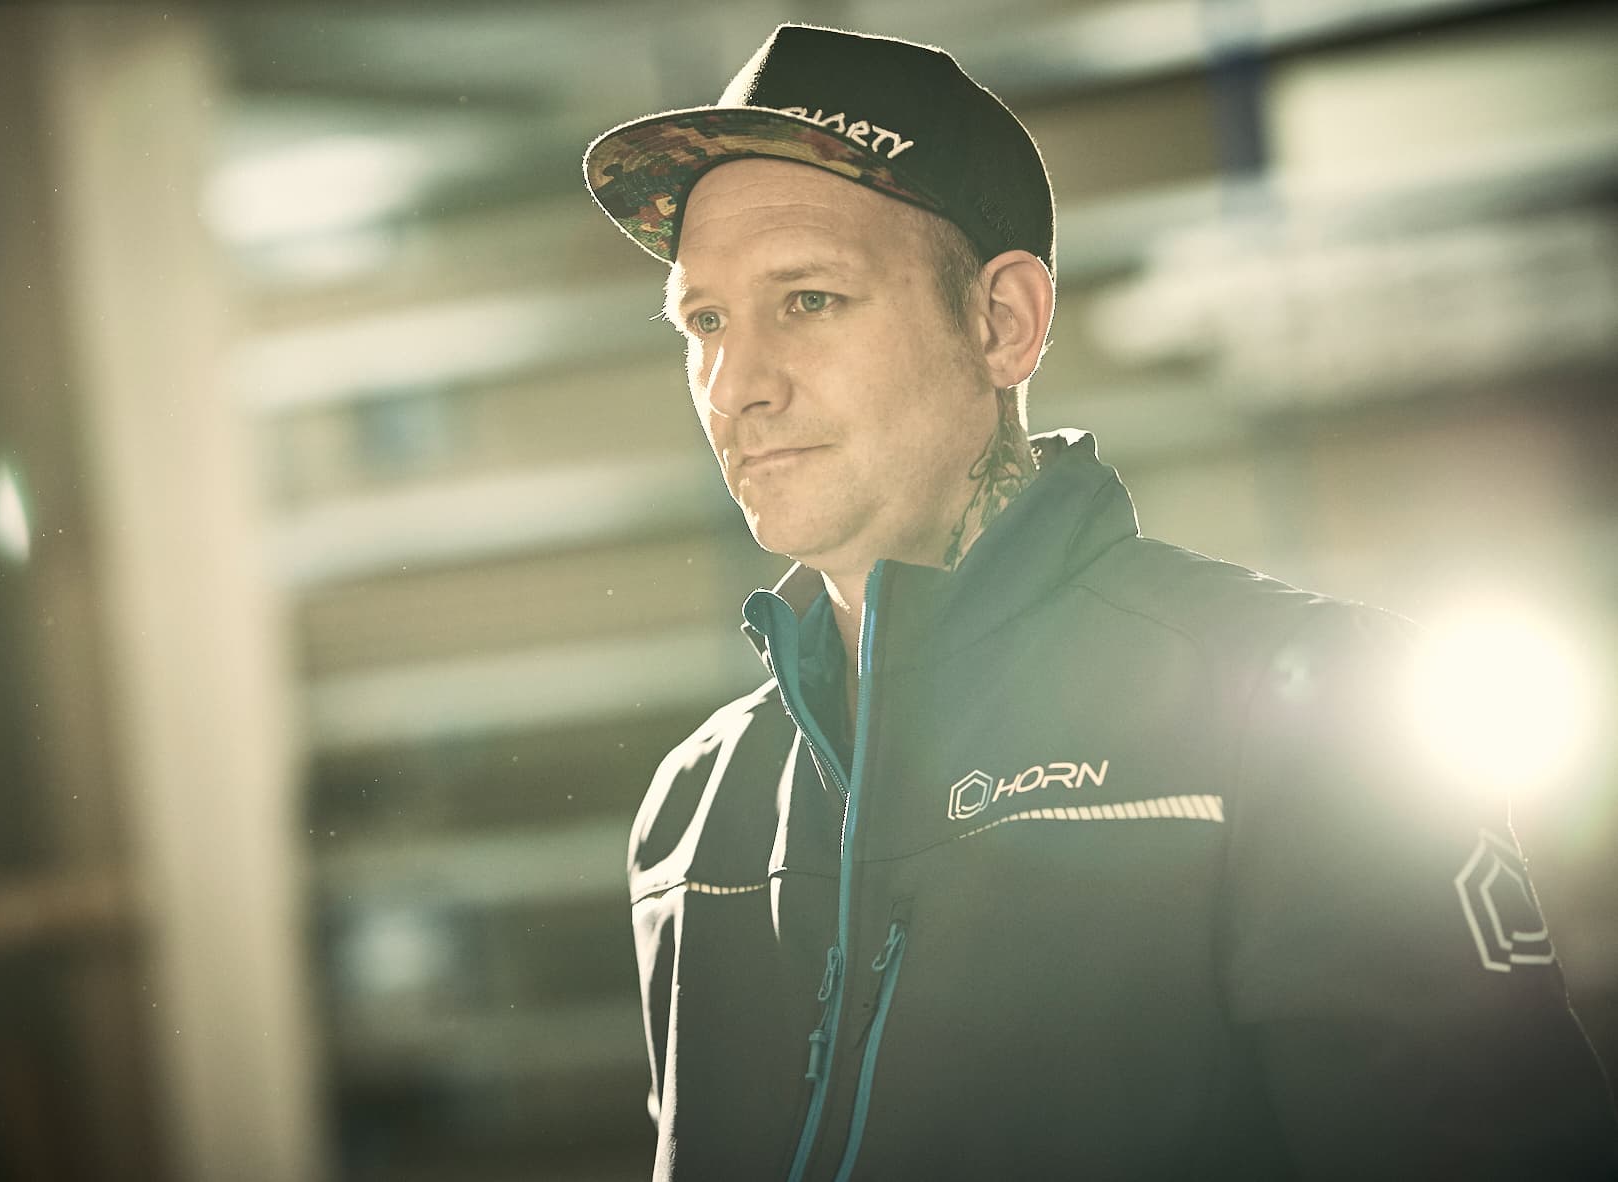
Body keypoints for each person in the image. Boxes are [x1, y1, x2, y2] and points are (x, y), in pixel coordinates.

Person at [582, 23, 1617, 1181]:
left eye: (809, 300)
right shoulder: (694, 813)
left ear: (1002, 322)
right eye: (705, 322)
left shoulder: (1310, 707)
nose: (736, 385)